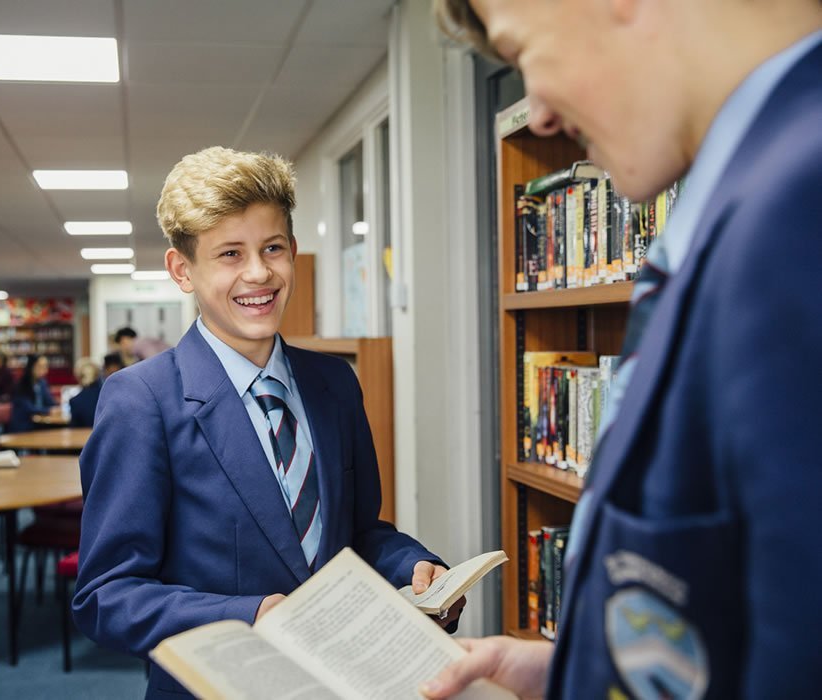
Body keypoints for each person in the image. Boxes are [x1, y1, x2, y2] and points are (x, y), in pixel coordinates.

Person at [424, 1, 822, 699]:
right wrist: (575, 669)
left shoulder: (798, 207)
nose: (538, 113)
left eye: (525, 54)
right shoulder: (741, 207)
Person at [72, 146, 463, 699]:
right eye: (229, 253)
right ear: (182, 270)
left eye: (272, 248)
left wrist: (412, 565)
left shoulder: (334, 383)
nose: (258, 272)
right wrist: (251, 614)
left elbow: (356, 533)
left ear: (293, 252)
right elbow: (107, 596)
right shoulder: (141, 401)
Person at [6, 354, 55, 433]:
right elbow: (29, 408)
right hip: (24, 426)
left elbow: (50, 402)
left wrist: (57, 407)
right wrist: (48, 410)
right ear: (32, 367)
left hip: (39, 423)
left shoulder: (42, 383)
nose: (45, 370)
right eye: (41, 366)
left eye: (46, 366)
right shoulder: (21, 385)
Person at [68, 358, 102, 428]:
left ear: (78, 377)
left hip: (83, 438)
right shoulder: (107, 395)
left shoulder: (75, 401)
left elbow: (73, 431)